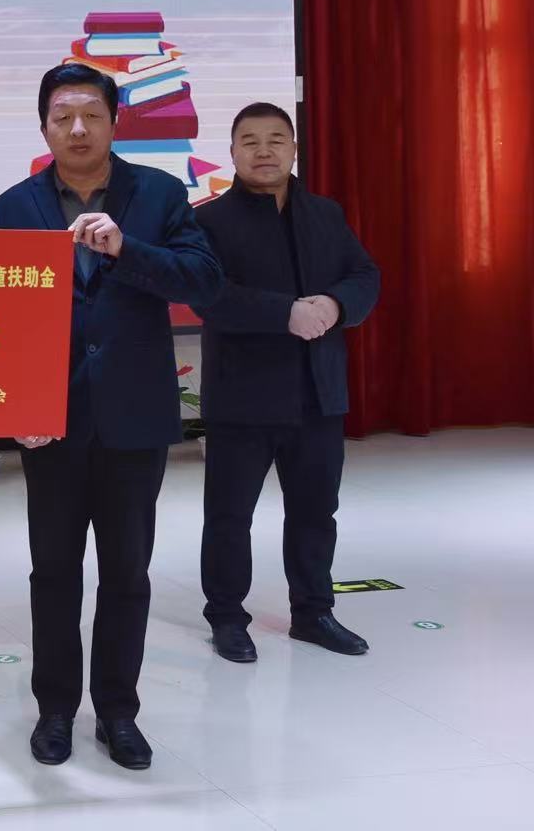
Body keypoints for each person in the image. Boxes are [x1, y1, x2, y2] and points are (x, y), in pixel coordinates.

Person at [0, 63, 223, 772]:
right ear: (43, 126)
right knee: (53, 572)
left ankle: (118, 711)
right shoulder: (13, 205)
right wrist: (14, 402)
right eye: (62, 116)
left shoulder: (157, 193)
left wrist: (126, 248)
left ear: (115, 122)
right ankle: (56, 709)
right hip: (50, 420)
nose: (77, 128)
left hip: (133, 414)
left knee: (126, 572)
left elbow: (203, 279)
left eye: (91, 114)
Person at [190, 103, 381, 663]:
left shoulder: (325, 213)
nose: (264, 151)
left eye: (276, 139)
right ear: (232, 153)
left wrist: (336, 304)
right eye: (250, 141)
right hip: (243, 395)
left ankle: (314, 612)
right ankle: (227, 616)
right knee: (230, 516)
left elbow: (365, 274)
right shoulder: (208, 221)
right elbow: (209, 296)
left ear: (294, 149)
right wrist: (284, 314)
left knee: (316, 511)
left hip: (317, 392)